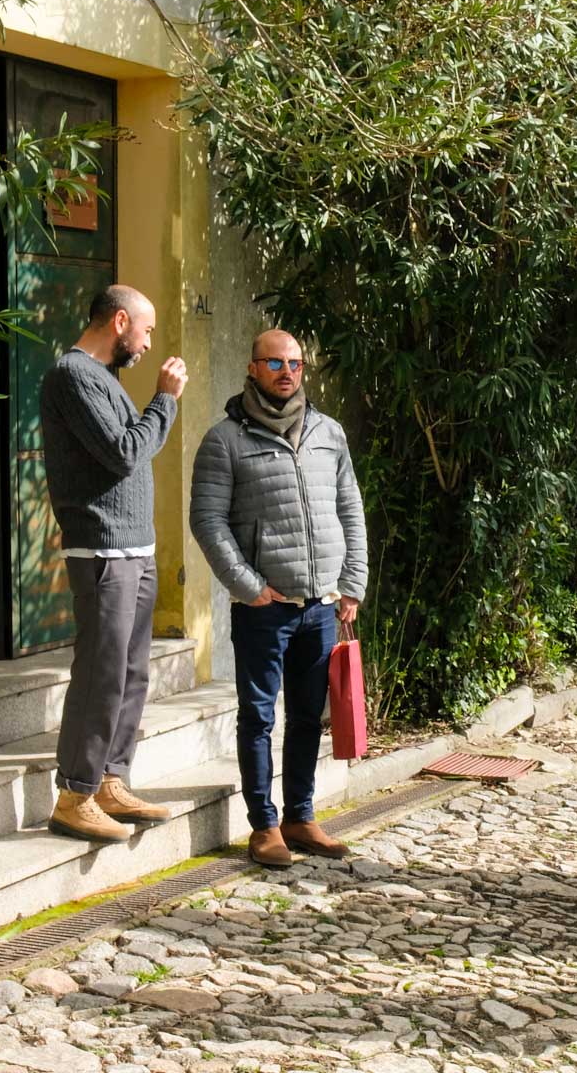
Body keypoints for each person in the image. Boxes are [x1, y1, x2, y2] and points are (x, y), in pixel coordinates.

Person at [190, 329, 369, 868]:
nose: (286, 371)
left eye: (294, 362)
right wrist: (247, 587)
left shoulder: (328, 433)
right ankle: (263, 826)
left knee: (308, 715)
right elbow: (207, 521)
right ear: (252, 368)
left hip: (321, 603)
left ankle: (300, 816)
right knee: (259, 718)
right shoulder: (225, 440)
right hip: (264, 609)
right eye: (274, 362)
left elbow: (350, 510)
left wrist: (352, 583)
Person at [39, 285, 187, 843]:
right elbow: (124, 452)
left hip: (135, 547)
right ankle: (75, 793)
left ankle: (110, 780)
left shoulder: (104, 381)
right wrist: (164, 400)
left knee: (131, 673)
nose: (148, 344)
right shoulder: (73, 376)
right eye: (145, 331)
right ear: (120, 321)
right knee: (101, 673)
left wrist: (157, 406)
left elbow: (131, 448)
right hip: (101, 547)